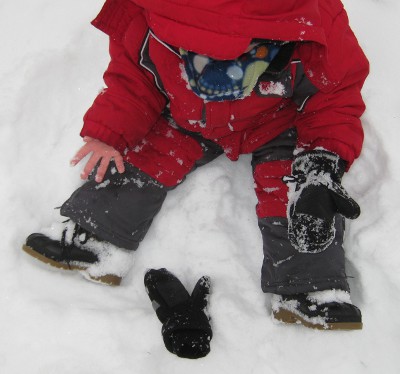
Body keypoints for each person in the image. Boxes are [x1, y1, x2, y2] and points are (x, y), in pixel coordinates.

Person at [22, 0, 369, 330]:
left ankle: (309, 285)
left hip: (276, 121)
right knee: (149, 154)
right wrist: (109, 131)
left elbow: (334, 96)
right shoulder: (146, 20)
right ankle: (97, 238)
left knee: (300, 195)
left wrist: (321, 165)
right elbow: (135, 78)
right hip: (188, 114)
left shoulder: (315, 24)